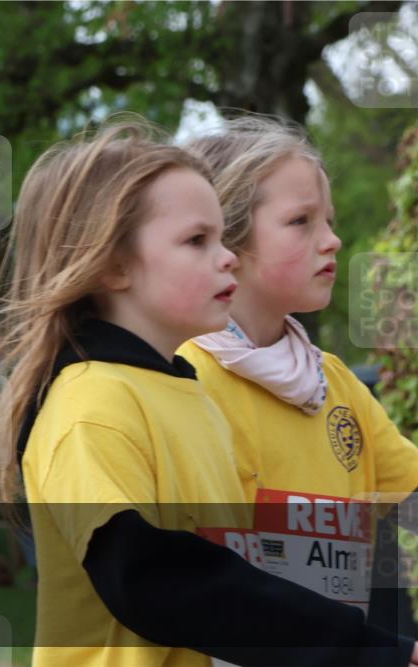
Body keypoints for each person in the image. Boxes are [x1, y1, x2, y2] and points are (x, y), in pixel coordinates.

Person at [0, 119, 418, 666]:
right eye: (198, 240)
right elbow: (157, 579)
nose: (227, 254)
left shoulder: (180, 393)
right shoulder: (91, 407)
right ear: (113, 264)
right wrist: (366, 650)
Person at [179, 115, 418, 627]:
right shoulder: (177, 380)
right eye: (301, 221)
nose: (332, 240)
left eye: (329, 220)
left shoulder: (336, 381)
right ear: (226, 237)